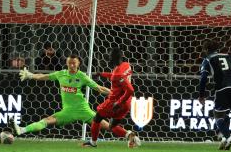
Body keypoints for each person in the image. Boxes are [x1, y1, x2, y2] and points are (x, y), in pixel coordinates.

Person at [10, 54, 138, 147]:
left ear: (78, 64)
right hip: (68, 111)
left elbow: (99, 88)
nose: (71, 65)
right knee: (47, 121)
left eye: (74, 63)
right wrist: (31, 75)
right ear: (67, 63)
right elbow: (44, 77)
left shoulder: (82, 76)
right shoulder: (61, 74)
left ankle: (130, 135)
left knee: (108, 126)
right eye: (69, 63)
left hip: (83, 110)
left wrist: (115, 94)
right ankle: (22, 130)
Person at [83, 48, 141, 148]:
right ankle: (130, 136)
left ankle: (93, 143)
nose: (108, 57)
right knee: (111, 127)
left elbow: (130, 89)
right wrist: (102, 74)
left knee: (97, 118)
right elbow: (114, 77)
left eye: (110, 56)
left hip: (115, 102)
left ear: (112, 58)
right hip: (127, 103)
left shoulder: (118, 73)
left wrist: (118, 102)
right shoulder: (126, 65)